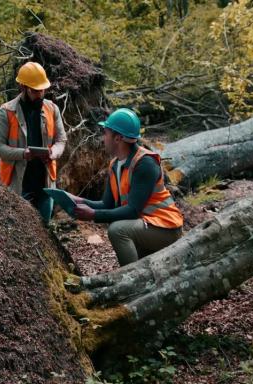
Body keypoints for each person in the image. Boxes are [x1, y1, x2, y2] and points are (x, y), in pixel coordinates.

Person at [70, 108, 184, 267]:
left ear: (118, 138)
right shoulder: (115, 164)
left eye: (106, 133)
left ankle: (130, 278)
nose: (104, 138)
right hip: (146, 226)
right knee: (117, 225)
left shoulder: (145, 163)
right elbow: (107, 205)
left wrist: (93, 215)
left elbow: (132, 211)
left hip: (166, 228)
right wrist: (79, 201)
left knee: (118, 229)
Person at [0, 62, 67, 223]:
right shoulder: (6, 112)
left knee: (44, 228)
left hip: (45, 181)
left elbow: (61, 140)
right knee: (21, 229)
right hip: (18, 183)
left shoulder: (52, 109)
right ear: (22, 87)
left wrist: (54, 152)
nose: (40, 94)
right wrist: (22, 154)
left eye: (42, 90)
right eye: (35, 91)